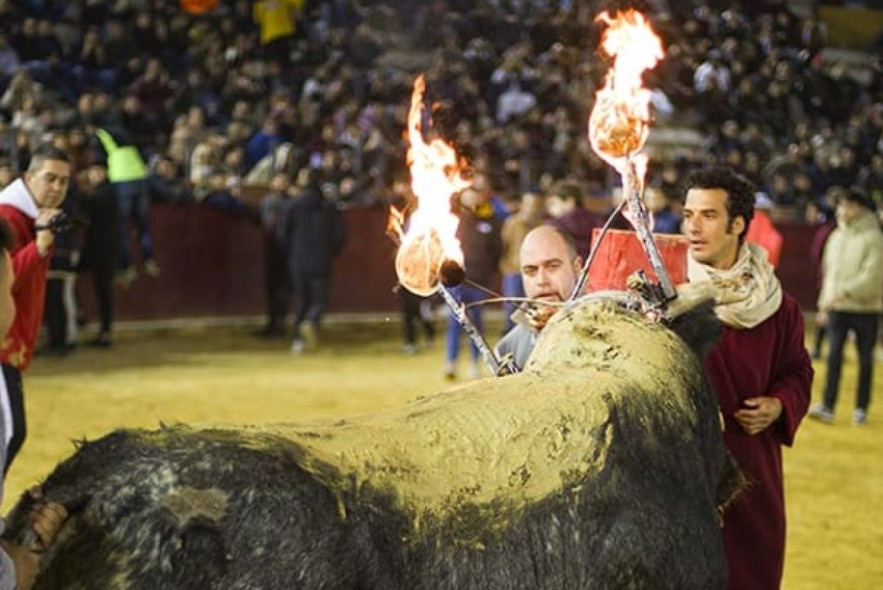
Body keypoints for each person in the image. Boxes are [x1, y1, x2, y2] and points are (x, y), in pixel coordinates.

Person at [682, 165, 813, 590]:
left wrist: (779, 404)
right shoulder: (667, 295)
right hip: (681, 474)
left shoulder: (779, 306)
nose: (693, 227)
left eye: (708, 215)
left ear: (738, 224)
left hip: (753, 475)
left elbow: (797, 370)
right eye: (688, 215)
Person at [0, 144, 69, 472]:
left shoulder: (36, 217)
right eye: (50, 178)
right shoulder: (8, 217)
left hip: (11, 344)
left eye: (64, 182)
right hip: (1, 344)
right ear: (29, 176)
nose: (57, 188)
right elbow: (5, 281)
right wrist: (40, 245)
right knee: (10, 433)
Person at [809, 188, 883, 425]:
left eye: (848, 205)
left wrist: (843, 292)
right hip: (837, 306)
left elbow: (872, 276)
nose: (843, 210)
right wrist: (824, 304)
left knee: (865, 359)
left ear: (860, 208)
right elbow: (828, 275)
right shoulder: (836, 237)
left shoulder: (874, 238)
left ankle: (860, 409)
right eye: (841, 205)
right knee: (833, 358)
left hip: (865, 308)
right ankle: (828, 405)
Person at [495, 225, 582, 371]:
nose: (541, 280)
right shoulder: (509, 349)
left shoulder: (611, 330)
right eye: (530, 271)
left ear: (577, 267)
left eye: (553, 266)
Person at [285, 167, 347, 354]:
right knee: (319, 301)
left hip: (299, 259)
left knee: (301, 301)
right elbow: (340, 235)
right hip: (321, 260)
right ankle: (311, 323)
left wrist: (291, 252)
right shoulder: (328, 206)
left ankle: (297, 341)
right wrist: (330, 252)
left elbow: (284, 233)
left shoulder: (295, 205)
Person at [443, 187, 502, 380]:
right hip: (456, 283)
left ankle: (476, 364)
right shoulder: (453, 221)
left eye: (473, 198)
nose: (471, 202)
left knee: (477, 325)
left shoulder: (489, 221)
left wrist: (488, 271)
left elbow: (495, 250)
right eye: (467, 199)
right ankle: (450, 363)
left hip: (479, 280)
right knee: (455, 323)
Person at [498, 191, 545, 335]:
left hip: (533, 273)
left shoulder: (541, 226)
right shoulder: (512, 223)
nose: (532, 208)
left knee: (531, 307)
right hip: (513, 270)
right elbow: (503, 245)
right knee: (511, 307)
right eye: (529, 204)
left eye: (535, 205)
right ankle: (510, 335)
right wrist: (505, 266)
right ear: (523, 205)